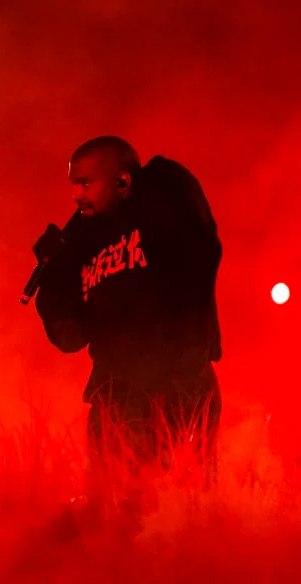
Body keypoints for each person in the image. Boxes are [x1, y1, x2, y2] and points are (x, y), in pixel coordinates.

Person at [31, 136, 223, 510]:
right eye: (73, 183)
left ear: (122, 182)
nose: (76, 194)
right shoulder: (85, 245)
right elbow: (69, 338)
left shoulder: (162, 211)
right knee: (112, 513)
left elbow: (197, 237)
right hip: (113, 395)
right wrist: (55, 274)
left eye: (86, 182)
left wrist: (149, 179)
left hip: (177, 383)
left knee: (177, 508)